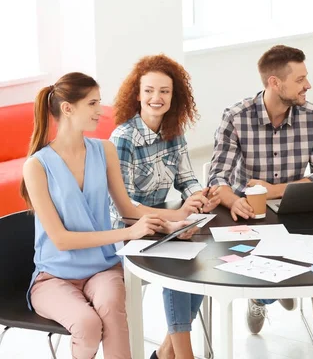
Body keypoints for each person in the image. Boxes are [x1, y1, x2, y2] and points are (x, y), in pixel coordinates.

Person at [21, 72, 195, 359]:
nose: (100, 111)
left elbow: (128, 209)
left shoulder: (105, 150)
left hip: (102, 269)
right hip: (53, 278)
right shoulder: (37, 166)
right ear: (68, 108)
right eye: (92, 104)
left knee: (113, 313)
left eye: (99, 102)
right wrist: (128, 233)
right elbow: (61, 240)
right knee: (87, 325)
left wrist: (172, 222)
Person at [207, 44, 313, 334]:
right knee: (258, 267)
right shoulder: (236, 117)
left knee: (304, 264)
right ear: (274, 83)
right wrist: (231, 202)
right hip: (249, 214)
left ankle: (270, 289)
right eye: (300, 80)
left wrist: (276, 190)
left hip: (294, 211)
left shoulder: (312, 117)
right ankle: (268, 291)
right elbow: (216, 177)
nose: (309, 85)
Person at [110, 54, 219, 359]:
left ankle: (165, 352)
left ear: (175, 96)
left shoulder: (174, 132)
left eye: (164, 91)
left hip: (163, 226)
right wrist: (177, 216)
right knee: (179, 264)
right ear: (137, 94)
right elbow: (127, 208)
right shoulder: (123, 138)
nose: (156, 98)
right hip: (128, 231)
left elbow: (187, 179)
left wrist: (198, 197)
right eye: (149, 91)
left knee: (201, 259)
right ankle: (184, 355)